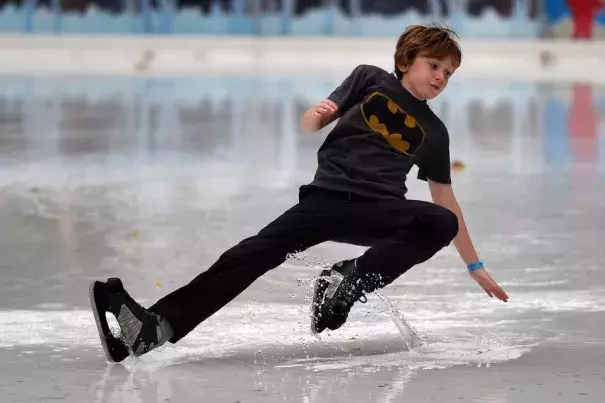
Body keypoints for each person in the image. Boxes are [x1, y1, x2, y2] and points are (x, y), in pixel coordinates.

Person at [89, 24, 509, 362]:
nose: (440, 77)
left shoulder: (434, 132)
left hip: (377, 210)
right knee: (248, 255)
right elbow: (315, 120)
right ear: (405, 60)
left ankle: (348, 280)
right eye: (434, 65)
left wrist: (474, 265)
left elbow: (446, 200)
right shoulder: (370, 79)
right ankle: (154, 327)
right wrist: (316, 115)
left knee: (440, 220)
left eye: (448, 73)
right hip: (323, 201)